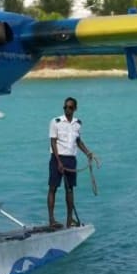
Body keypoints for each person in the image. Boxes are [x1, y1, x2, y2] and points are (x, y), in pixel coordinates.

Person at [48, 96, 93, 228]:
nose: (67, 109)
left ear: (75, 109)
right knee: (53, 188)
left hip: (71, 159)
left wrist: (88, 153)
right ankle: (51, 220)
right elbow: (53, 142)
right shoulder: (55, 122)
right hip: (57, 158)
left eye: (70, 107)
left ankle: (69, 220)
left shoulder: (78, 123)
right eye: (65, 107)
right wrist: (58, 162)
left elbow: (78, 141)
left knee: (70, 189)